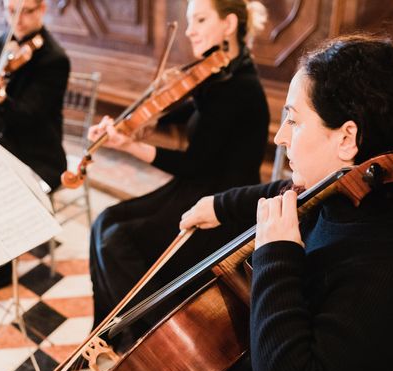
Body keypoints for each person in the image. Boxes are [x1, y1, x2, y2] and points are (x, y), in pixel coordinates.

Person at [70, 35, 393, 371]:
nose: (280, 136)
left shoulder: (389, 266)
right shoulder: (350, 191)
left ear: (347, 137)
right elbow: (281, 191)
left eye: (293, 120)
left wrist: (276, 256)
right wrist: (220, 205)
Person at [88, 0, 269, 338]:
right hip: (198, 186)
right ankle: (101, 336)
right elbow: (193, 110)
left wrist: (130, 146)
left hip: (222, 206)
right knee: (104, 222)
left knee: (116, 241)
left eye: (200, 19)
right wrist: (139, 120)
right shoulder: (222, 74)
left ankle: (152, 337)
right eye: (189, 21)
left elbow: (193, 162)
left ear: (229, 24)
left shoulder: (240, 87)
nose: (189, 30)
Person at [0, 0, 70, 291]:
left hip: (37, 155)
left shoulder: (54, 59)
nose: (18, 20)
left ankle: (3, 264)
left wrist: (1, 100)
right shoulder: (4, 42)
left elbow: (31, 117)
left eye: (27, 11)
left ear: (42, 10)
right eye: (11, 11)